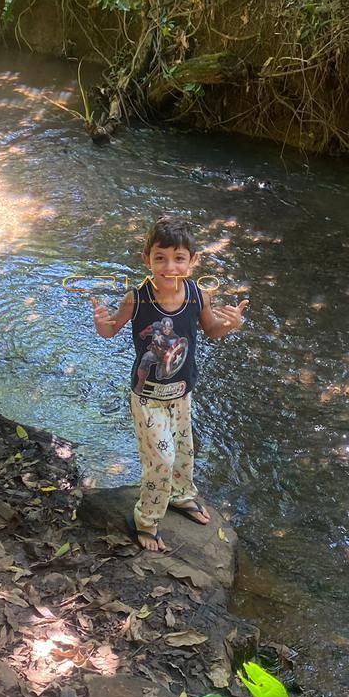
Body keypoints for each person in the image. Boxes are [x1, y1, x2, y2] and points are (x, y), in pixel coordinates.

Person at [91, 215, 248, 552]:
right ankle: (146, 520)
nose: (169, 266)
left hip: (181, 394)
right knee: (160, 460)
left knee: (184, 453)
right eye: (160, 258)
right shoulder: (137, 298)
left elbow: (211, 331)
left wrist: (232, 324)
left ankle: (180, 495)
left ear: (193, 262)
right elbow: (110, 331)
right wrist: (102, 324)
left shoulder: (197, 294)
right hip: (147, 397)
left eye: (179, 258)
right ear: (146, 259)